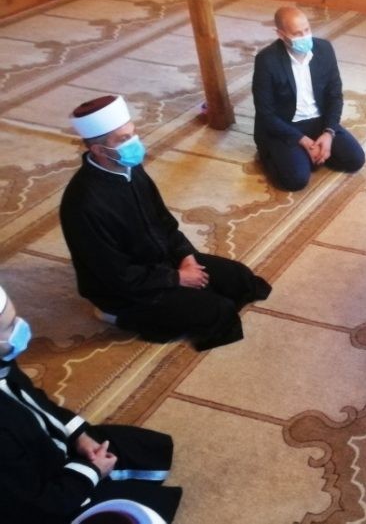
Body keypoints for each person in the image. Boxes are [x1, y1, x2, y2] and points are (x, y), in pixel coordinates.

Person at [60, 95, 272, 351]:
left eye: (133, 133)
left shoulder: (130, 169)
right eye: (123, 139)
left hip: (161, 262)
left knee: (239, 279)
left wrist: (186, 257)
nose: (134, 142)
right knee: (218, 311)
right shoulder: (84, 204)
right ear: (98, 150)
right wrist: (176, 278)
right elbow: (116, 275)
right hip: (125, 291)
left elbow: (163, 221)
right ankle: (119, 316)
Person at [0, 285, 181, 524]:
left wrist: (79, 436)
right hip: (32, 493)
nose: (21, 326)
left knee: (146, 447)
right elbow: (32, 503)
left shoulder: (3, 360)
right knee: (138, 512)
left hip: (38, 445)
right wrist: (91, 472)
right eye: (10, 327)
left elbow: (34, 399)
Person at [252, 6, 365, 191]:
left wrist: (328, 133)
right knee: (296, 180)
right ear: (281, 34)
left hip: (318, 120)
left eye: (307, 30)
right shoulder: (266, 60)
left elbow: (335, 96)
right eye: (297, 34)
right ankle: (271, 155)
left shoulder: (324, 49)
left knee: (355, 160)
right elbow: (266, 113)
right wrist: (303, 141)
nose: (305, 37)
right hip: (286, 126)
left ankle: (309, 155)